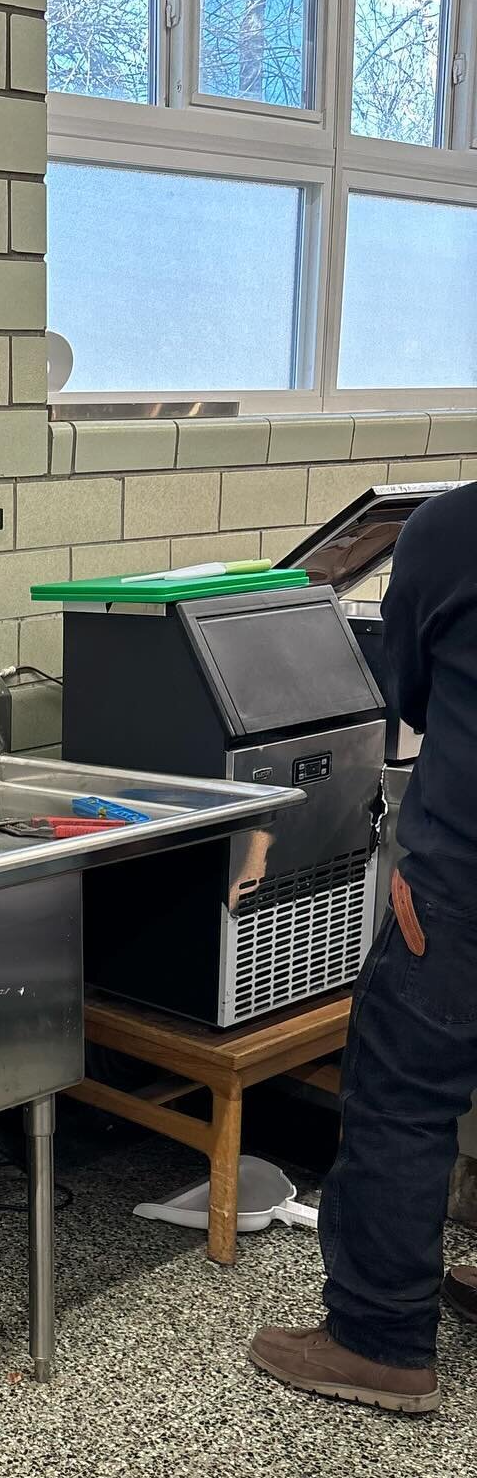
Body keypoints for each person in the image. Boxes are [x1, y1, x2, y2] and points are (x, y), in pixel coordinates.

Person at [250, 481, 477, 1413]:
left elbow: (409, 689)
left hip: (466, 884)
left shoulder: (454, 529)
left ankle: (378, 1340)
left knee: (402, 1101)